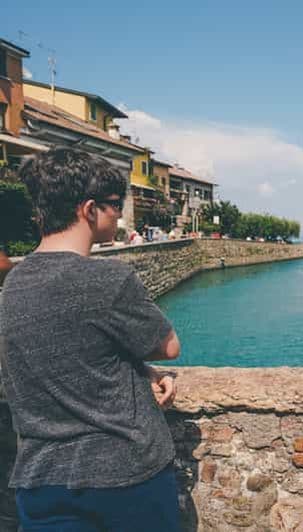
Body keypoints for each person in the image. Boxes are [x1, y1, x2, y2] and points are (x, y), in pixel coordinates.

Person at [0, 148, 182, 531]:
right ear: (89, 209)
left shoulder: (12, 284)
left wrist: (139, 370)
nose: (119, 214)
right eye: (115, 205)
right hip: (127, 476)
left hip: (42, 478)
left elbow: (69, 351)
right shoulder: (108, 280)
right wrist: (148, 367)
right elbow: (168, 345)